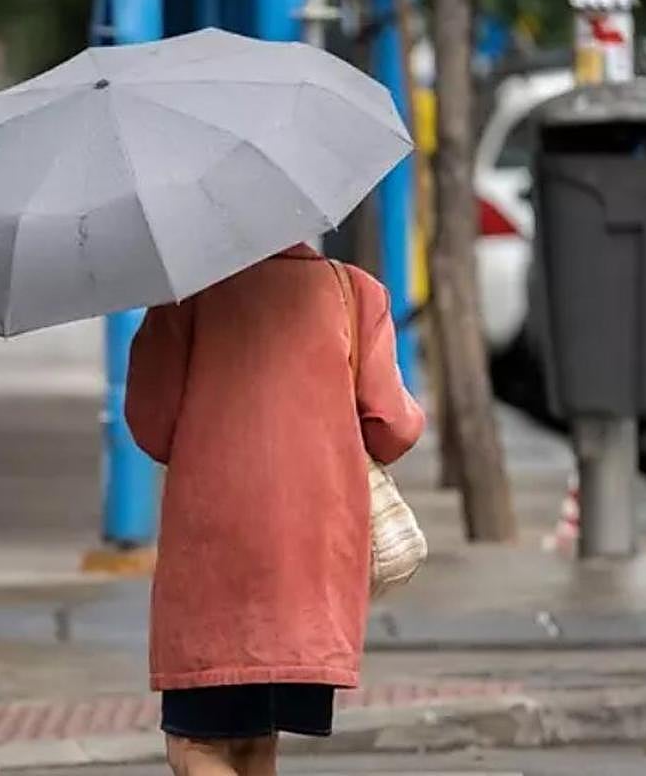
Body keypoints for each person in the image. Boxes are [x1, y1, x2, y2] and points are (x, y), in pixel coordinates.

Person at [126, 242, 426, 776]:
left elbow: (151, 422)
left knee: (195, 746)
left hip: (214, 557)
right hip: (311, 562)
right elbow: (391, 426)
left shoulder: (187, 298)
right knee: (255, 746)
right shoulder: (351, 292)